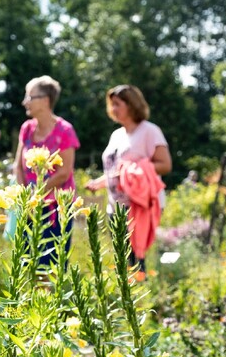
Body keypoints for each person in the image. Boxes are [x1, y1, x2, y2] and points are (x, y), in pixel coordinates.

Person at [85, 84, 172, 278]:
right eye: (112, 105)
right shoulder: (117, 135)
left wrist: (135, 169)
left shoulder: (149, 131)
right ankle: (127, 299)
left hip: (139, 205)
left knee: (136, 256)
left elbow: (165, 164)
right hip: (115, 205)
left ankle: (141, 302)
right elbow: (115, 169)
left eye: (118, 104)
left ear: (132, 105)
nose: (113, 109)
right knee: (121, 256)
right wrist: (98, 183)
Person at [13, 75, 80, 268]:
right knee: (26, 261)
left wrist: (37, 192)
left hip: (57, 208)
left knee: (52, 264)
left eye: (29, 97)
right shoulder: (26, 129)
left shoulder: (65, 130)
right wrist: (25, 197)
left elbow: (64, 172)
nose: (25, 102)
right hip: (30, 206)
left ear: (45, 100)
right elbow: (19, 166)